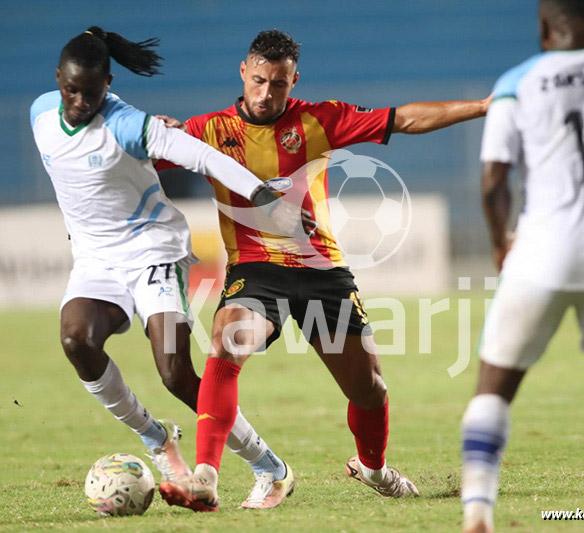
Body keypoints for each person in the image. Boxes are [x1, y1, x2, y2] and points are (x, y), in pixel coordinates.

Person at [156, 29, 492, 511]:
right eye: (258, 81)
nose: (267, 93)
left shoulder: (319, 119)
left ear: (294, 80)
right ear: (243, 73)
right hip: (257, 268)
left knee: (370, 389)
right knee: (226, 346)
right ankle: (205, 474)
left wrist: (481, 106)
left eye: (279, 83)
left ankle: (372, 467)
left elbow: (406, 118)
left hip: (322, 271)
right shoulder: (208, 131)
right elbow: (137, 157)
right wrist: (143, 131)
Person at [30, 27, 311, 495]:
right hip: (96, 259)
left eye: (92, 92)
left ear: (109, 84)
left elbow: (203, 156)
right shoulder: (41, 113)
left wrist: (261, 194)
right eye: (71, 90)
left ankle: (270, 466)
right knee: (76, 340)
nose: (79, 102)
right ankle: (155, 437)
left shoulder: (128, 125)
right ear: (58, 79)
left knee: (175, 374)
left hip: (152, 250)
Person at [460, 1, 584, 532]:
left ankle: (478, 510)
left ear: (546, 30)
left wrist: (500, 243)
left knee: (494, 384)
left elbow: (493, 182)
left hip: (544, 249)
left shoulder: (517, 83)